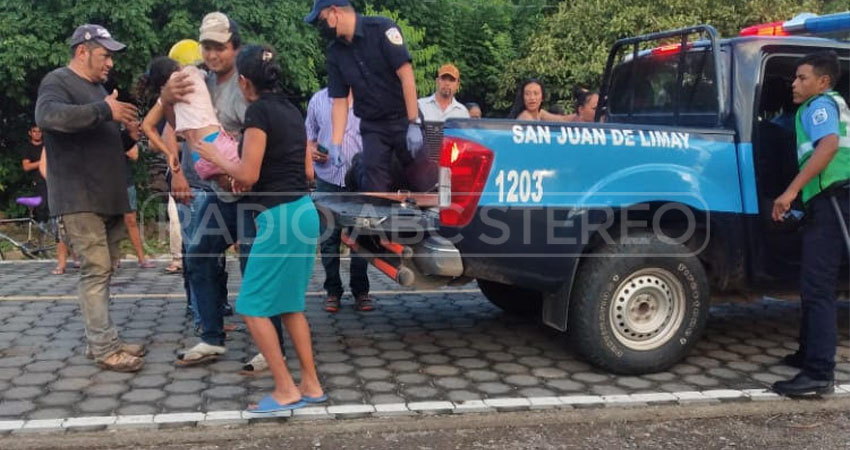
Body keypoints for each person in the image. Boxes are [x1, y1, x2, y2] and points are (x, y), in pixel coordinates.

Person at [194, 44, 324, 413]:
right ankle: (311, 384)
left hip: (280, 217)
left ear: (244, 81)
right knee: (289, 306)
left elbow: (248, 175)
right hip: (303, 211)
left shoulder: (258, 113)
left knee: (252, 305)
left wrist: (216, 156)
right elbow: (296, 167)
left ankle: (286, 389)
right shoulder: (290, 110)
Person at [157, 17, 285, 373]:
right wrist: (167, 98)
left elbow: (263, 135)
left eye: (219, 47)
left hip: (249, 189)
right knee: (198, 253)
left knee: (252, 264)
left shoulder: (248, 84)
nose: (212, 54)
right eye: (206, 47)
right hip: (216, 190)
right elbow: (178, 126)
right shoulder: (197, 79)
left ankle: (273, 346)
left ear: (236, 47)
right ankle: (212, 336)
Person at [34, 23, 145, 372]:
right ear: (82, 51)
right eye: (105, 55)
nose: (110, 63)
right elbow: (48, 117)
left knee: (107, 268)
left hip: (107, 195)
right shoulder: (58, 82)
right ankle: (104, 348)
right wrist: (104, 111)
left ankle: (102, 338)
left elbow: (110, 141)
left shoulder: (100, 89)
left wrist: (130, 134)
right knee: (96, 269)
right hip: (78, 195)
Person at [771, 50, 850, 397]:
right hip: (826, 201)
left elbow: (829, 146)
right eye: (795, 77)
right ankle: (808, 353)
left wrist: (790, 192)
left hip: (835, 200)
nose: (794, 83)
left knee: (818, 288)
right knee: (814, 283)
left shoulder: (821, 105)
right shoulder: (818, 105)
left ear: (823, 81)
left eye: (802, 77)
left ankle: (819, 374)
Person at [305, 0, 427, 193]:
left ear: (334, 12)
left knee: (425, 182)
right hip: (373, 126)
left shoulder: (382, 29)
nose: (321, 28)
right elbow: (339, 101)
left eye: (321, 21)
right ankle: (359, 171)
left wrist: (414, 122)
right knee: (375, 189)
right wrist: (335, 143)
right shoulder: (335, 52)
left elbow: (407, 77)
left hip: (403, 118)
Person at [306, 87, 374, 312]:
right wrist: (313, 149)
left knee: (361, 237)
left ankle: (361, 290)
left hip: (359, 180)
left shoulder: (368, 98)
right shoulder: (318, 99)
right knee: (328, 238)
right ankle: (333, 290)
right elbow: (309, 138)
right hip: (327, 178)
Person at [35, 147, 76, 275]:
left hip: (78, 187)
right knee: (60, 227)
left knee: (79, 224)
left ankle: (79, 258)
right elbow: (43, 165)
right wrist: (54, 182)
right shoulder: (50, 141)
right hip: (58, 188)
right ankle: (62, 263)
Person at [122, 144, 156, 269]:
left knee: (131, 220)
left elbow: (134, 155)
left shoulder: (123, 133)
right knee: (107, 221)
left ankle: (141, 258)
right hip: (104, 181)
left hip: (124, 181)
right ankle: (112, 258)